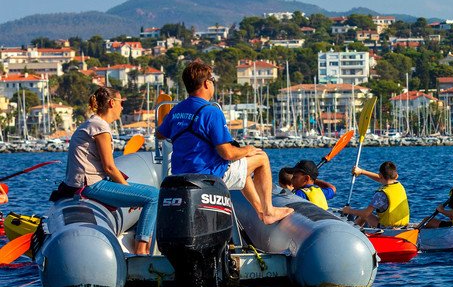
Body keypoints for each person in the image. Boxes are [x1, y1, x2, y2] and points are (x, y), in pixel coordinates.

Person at [157, 61, 291, 225]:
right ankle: (269, 210)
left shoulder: (177, 110)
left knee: (240, 165)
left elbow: (159, 134)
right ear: (207, 84)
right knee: (261, 157)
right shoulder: (212, 112)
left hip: (180, 174)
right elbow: (227, 152)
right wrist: (248, 149)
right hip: (207, 176)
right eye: (212, 80)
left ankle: (261, 211)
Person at [57, 87, 160, 255]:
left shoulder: (92, 123)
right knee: (153, 196)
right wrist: (127, 189)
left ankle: (140, 241)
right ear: (112, 103)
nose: (122, 107)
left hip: (85, 183)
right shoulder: (100, 128)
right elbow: (109, 167)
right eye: (121, 103)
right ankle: (141, 249)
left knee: (144, 194)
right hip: (90, 185)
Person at [343, 161, 410, 228]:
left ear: (380, 175)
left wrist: (349, 210)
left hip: (387, 228)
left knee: (366, 216)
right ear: (396, 176)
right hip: (403, 227)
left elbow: (366, 213)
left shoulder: (381, 194)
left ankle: (353, 232)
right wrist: (361, 171)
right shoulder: (399, 185)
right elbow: (380, 179)